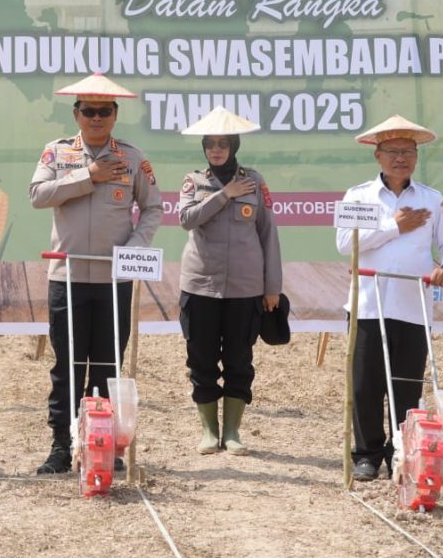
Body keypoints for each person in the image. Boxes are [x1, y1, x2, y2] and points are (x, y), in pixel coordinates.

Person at [29, 73, 162, 474]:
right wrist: (89, 176)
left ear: (115, 115)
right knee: (66, 365)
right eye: (89, 111)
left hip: (112, 279)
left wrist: (135, 248)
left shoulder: (134, 158)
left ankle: (101, 443)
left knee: (107, 365)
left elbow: (153, 208)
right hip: (66, 277)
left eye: (104, 111)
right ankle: (61, 445)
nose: (96, 118)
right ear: (77, 114)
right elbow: (38, 196)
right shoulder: (56, 153)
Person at [335, 114, 443, 482]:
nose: (400, 159)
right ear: (377, 156)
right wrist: (395, 226)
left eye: (408, 151)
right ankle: (367, 454)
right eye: (392, 151)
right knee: (364, 383)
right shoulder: (358, 196)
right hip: (367, 304)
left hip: (412, 305)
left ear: (416, 157)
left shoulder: (432, 199)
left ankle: (403, 451)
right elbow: (346, 243)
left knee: (406, 384)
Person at [177, 106, 282, 456]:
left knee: (239, 359)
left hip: (245, 287)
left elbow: (268, 235)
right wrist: (224, 195)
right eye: (210, 144)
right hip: (201, 286)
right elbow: (187, 219)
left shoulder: (254, 180)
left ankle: (233, 432)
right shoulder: (194, 181)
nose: (217, 150)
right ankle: (209, 430)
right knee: (202, 358)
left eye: (223, 144)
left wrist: (272, 288)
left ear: (234, 146)